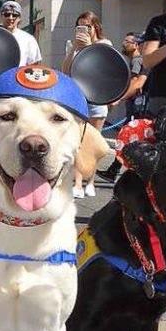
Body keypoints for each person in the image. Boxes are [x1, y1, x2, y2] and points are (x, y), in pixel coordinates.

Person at [61, 11, 111, 198]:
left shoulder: (104, 45)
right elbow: (66, 70)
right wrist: (74, 48)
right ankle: (78, 183)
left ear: (95, 27)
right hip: (78, 97)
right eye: (80, 27)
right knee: (78, 141)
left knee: (94, 142)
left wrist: (90, 48)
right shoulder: (72, 45)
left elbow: (103, 68)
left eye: (87, 27)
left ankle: (91, 181)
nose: (84, 31)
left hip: (97, 98)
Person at [97, 32, 149, 183]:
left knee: (128, 137)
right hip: (136, 106)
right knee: (130, 138)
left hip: (137, 108)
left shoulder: (137, 61)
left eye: (128, 41)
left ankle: (116, 170)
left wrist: (118, 98)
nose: (124, 44)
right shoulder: (137, 60)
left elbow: (134, 83)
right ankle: (115, 170)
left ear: (136, 45)